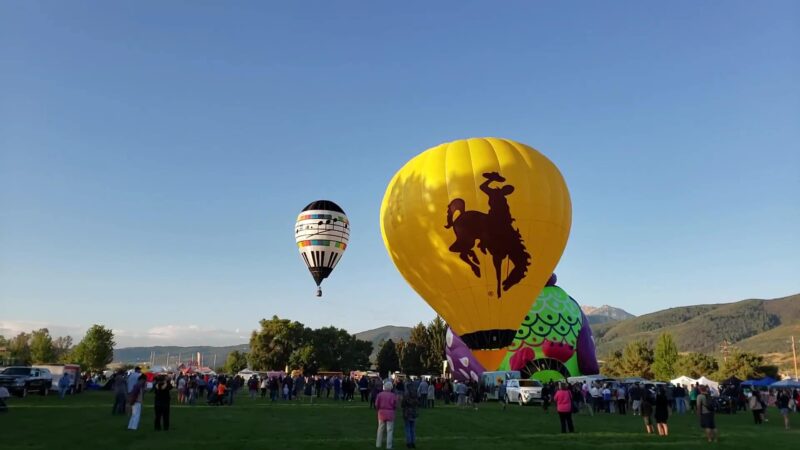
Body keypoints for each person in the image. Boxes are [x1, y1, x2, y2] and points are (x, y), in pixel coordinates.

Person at [375, 381, 397, 449]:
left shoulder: (380, 394)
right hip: (390, 413)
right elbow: (395, 405)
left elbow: (376, 404)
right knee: (389, 430)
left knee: (380, 429)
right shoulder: (393, 395)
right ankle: (389, 446)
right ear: (391, 387)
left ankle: (378, 444)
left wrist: (379, 409)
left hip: (381, 413)